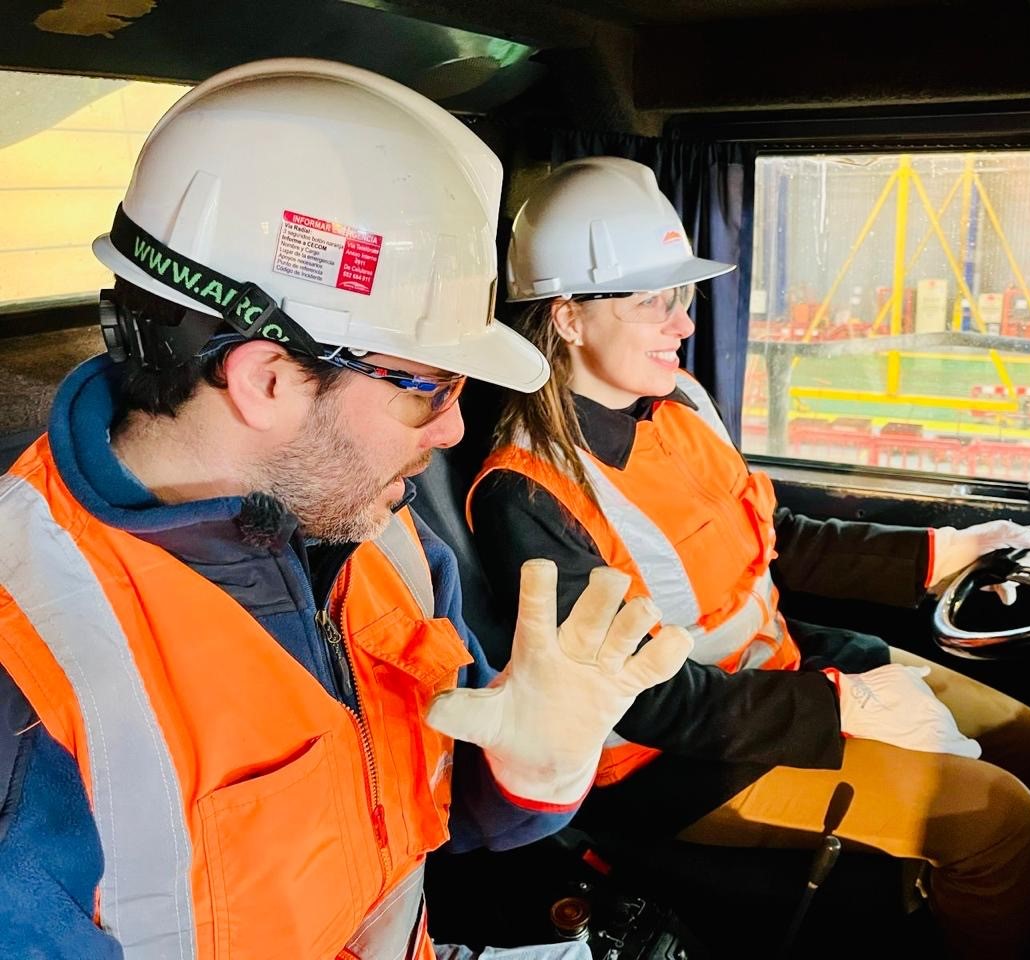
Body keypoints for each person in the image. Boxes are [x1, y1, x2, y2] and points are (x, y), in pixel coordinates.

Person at [0, 65, 693, 960]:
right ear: (267, 379)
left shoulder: (380, 537)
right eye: (430, 388)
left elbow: (435, 810)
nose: (453, 430)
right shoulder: (30, 672)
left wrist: (534, 768)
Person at [468, 156, 1030, 959]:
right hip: (677, 762)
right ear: (569, 318)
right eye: (653, 302)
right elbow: (640, 701)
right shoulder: (526, 491)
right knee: (999, 821)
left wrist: (947, 551)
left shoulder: (680, 403)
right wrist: (838, 706)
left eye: (682, 297)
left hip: (780, 669)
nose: (683, 324)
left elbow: (773, 536)